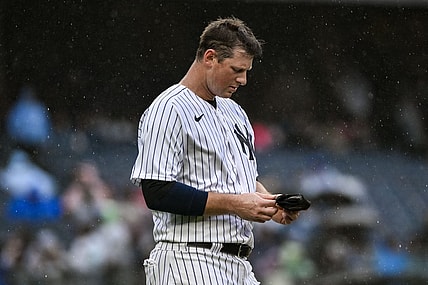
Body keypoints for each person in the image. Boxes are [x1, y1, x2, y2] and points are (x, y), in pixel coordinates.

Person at [130, 17, 300, 285]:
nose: (243, 80)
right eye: (236, 69)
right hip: (189, 260)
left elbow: (239, 180)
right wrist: (235, 205)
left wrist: (271, 204)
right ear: (210, 58)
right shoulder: (169, 109)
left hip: (239, 265)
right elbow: (157, 192)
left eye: (246, 71)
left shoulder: (234, 112)